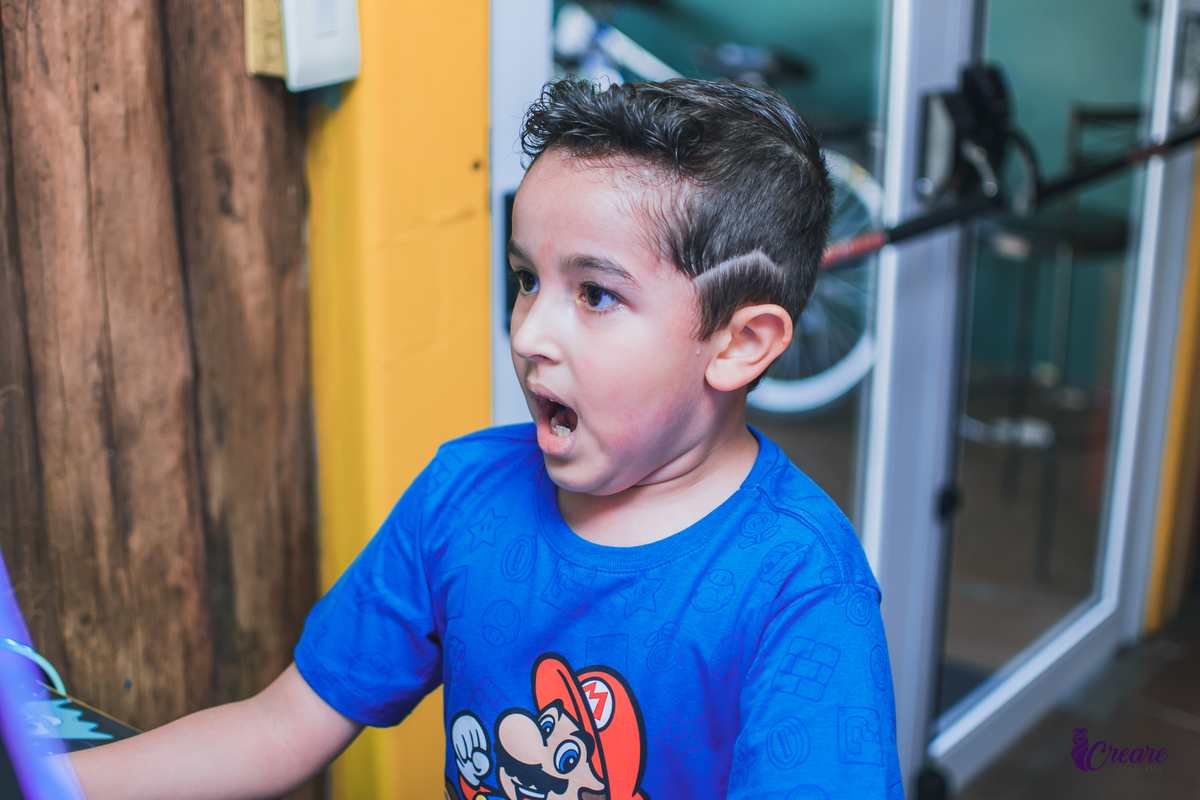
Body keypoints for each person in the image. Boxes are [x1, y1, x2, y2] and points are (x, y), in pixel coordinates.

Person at [72, 78, 902, 799]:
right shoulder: (462, 495)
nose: (530, 330)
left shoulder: (802, 590)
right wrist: (49, 782)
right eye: (526, 279)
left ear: (738, 344)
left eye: (596, 295)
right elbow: (282, 728)